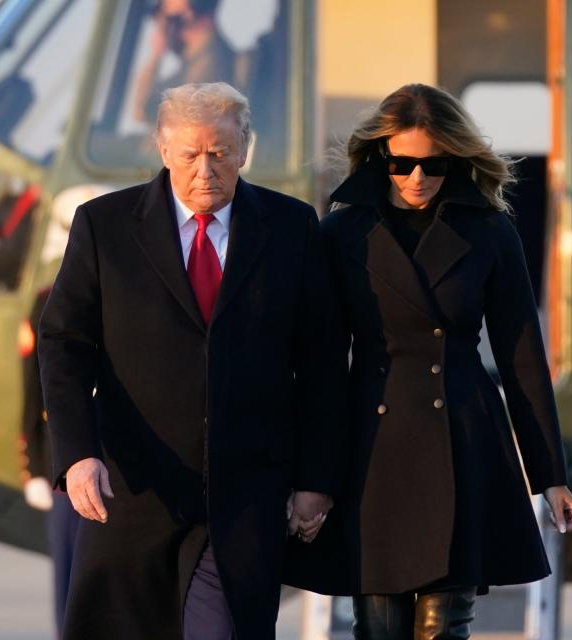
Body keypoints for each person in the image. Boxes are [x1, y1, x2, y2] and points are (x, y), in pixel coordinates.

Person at [38, 82, 344, 640]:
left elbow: (322, 362)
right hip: (131, 493)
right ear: (162, 149)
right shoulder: (104, 226)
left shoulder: (291, 228)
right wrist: (76, 454)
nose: (206, 169)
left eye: (221, 153)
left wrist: (315, 478)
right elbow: (64, 344)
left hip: (244, 496)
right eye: (190, 154)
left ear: (245, 149)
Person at [285, 83, 572, 639]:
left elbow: (523, 359)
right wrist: (313, 479)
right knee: (377, 628)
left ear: (456, 159)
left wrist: (551, 477)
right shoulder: (342, 233)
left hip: (461, 439)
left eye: (433, 164)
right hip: (372, 451)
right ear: (380, 156)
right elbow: (323, 367)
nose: (416, 177)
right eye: (401, 163)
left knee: (444, 628)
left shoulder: (491, 232)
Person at [17, 286, 80, 639]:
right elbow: (33, 385)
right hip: (65, 464)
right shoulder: (49, 299)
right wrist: (36, 467)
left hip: (122, 465)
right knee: (70, 575)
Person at [132, 0, 236, 125]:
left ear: (188, 15)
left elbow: (143, 111)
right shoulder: (200, 60)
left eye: (167, 20)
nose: (162, 27)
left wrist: (156, 55)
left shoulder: (208, 63)